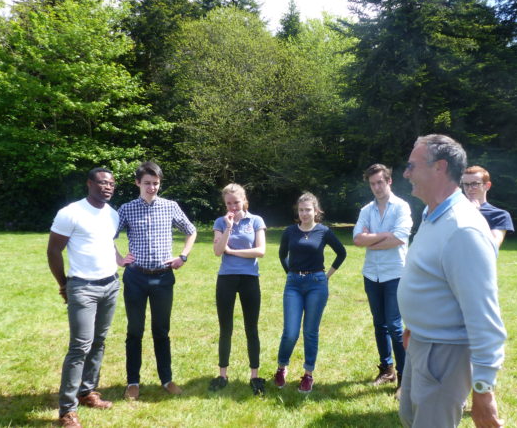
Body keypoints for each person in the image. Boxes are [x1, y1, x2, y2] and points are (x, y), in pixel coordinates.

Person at [399, 134, 507, 427]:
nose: (406, 173)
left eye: (412, 166)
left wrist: (483, 388)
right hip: (421, 342)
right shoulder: (433, 214)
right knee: (410, 417)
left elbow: (484, 315)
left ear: (439, 167)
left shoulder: (463, 229)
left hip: (443, 353)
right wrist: (416, 324)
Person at [47, 167, 130, 428]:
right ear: (89, 184)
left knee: (99, 341)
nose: (108, 187)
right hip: (82, 287)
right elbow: (53, 250)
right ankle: (67, 411)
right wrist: (64, 285)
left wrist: (119, 259)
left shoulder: (112, 214)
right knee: (80, 346)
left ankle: (87, 392)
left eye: (112, 184)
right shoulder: (71, 213)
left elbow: (106, 242)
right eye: (103, 182)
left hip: (110, 285)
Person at [116, 161, 197, 401]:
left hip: (163, 278)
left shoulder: (170, 206)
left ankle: (167, 379)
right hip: (135, 278)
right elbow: (106, 235)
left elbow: (191, 230)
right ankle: (133, 382)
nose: (152, 187)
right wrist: (119, 258)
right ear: (137, 183)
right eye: (147, 183)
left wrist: (183, 256)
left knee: (161, 330)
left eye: (156, 183)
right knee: (135, 331)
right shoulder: (127, 209)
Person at [274, 192, 347, 394]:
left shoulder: (323, 231)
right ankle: (281, 368)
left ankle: (308, 374)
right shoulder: (290, 231)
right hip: (294, 285)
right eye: (301, 210)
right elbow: (282, 255)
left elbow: (342, 253)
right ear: (297, 211)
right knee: (290, 332)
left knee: (310, 331)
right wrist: (290, 274)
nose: (304, 214)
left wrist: (327, 276)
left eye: (308, 210)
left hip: (316, 284)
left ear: (316, 211)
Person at [353, 164, 412, 396]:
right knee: (379, 324)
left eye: (380, 182)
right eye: (372, 183)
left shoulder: (402, 207)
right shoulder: (366, 210)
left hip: (395, 274)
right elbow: (357, 239)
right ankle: (387, 369)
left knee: (395, 326)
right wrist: (384, 235)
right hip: (371, 274)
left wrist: (371, 239)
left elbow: (399, 238)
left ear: (389, 181)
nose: (376, 187)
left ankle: (405, 378)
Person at [208, 184, 267, 395]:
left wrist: (232, 251)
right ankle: (223, 374)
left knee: (252, 328)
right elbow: (218, 251)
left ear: (244, 201)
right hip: (226, 278)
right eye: (229, 203)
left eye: (236, 202)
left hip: (250, 278)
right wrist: (228, 228)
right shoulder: (220, 222)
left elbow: (260, 251)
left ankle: (254, 376)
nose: (233, 207)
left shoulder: (256, 220)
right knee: (225, 328)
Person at [462, 165, 514, 248]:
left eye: (475, 184)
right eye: (466, 184)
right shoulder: (454, 211)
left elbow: (493, 245)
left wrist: (475, 215)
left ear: (487, 186)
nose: (469, 188)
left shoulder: (499, 215)